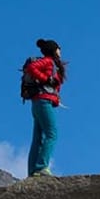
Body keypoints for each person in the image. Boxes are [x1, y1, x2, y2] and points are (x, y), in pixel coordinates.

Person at [24, 38, 65, 177]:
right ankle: (42, 167)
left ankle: (33, 171)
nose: (60, 50)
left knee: (38, 137)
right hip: (44, 101)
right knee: (52, 134)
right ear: (53, 50)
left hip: (37, 102)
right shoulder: (49, 61)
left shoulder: (52, 64)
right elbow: (32, 68)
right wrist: (45, 79)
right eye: (59, 48)